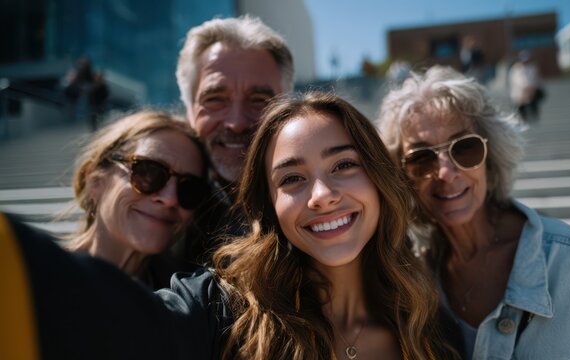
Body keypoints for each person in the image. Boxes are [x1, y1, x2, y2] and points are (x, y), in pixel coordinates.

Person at [0, 92, 456, 360]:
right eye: (292, 178)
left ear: (379, 178)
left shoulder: (429, 326)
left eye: (344, 165)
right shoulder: (219, 309)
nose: (321, 195)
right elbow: (102, 323)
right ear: (270, 205)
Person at [377, 65, 570, 359]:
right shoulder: (411, 283)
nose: (445, 172)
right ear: (400, 177)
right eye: (421, 159)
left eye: (465, 148)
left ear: (491, 155)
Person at [174, 15, 294, 264]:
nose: (237, 123)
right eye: (215, 100)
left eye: (259, 100)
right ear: (188, 110)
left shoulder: (320, 203)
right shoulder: (155, 204)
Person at [65, 110, 211, 289]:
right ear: (95, 181)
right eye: (148, 172)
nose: (170, 199)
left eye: (189, 189)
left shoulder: (193, 302)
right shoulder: (37, 283)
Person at [509, 50, 544, 122]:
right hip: (519, 94)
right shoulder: (516, 69)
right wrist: (527, 87)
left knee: (533, 106)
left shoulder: (532, 68)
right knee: (521, 109)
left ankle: (533, 118)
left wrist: (532, 88)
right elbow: (517, 81)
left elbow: (536, 79)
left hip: (531, 93)